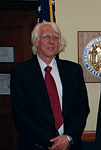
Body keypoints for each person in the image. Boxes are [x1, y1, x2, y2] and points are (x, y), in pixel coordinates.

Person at [10, 22, 90, 150]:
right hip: (36, 145)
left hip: (70, 145)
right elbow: (21, 115)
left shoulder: (73, 70)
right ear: (36, 42)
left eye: (55, 37)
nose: (51, 41)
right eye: (46, 37)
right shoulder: (20, 72)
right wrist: (52, 142)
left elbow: (83, 108)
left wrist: (68, 137)